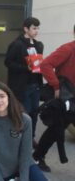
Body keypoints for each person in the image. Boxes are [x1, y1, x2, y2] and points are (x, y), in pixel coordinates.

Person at [0, 82, 47, 181]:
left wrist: (24, 178)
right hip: (0, 169)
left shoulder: (24, 120)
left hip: (25, 165)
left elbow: (25, 153)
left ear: (9, 98)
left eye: (2, 96)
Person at [33, 24, 75, 172]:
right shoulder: (68, 49)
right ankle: (37, 157)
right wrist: (56, 85)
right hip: (65, 99)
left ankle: (37, 156)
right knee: (55, 131)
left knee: (56, 130)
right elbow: (46, 64)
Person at [5, 17, 44, 143]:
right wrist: (25, 68)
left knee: (34, 112)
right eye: (34, 28)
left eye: (37, 28)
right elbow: (8, 62)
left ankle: (31, 137)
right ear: (26, 29)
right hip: (22, 85)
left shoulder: (38, 45)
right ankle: (22, 137)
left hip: (35, 84)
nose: (36, 31)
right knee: (24, 113)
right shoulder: (17, 44)